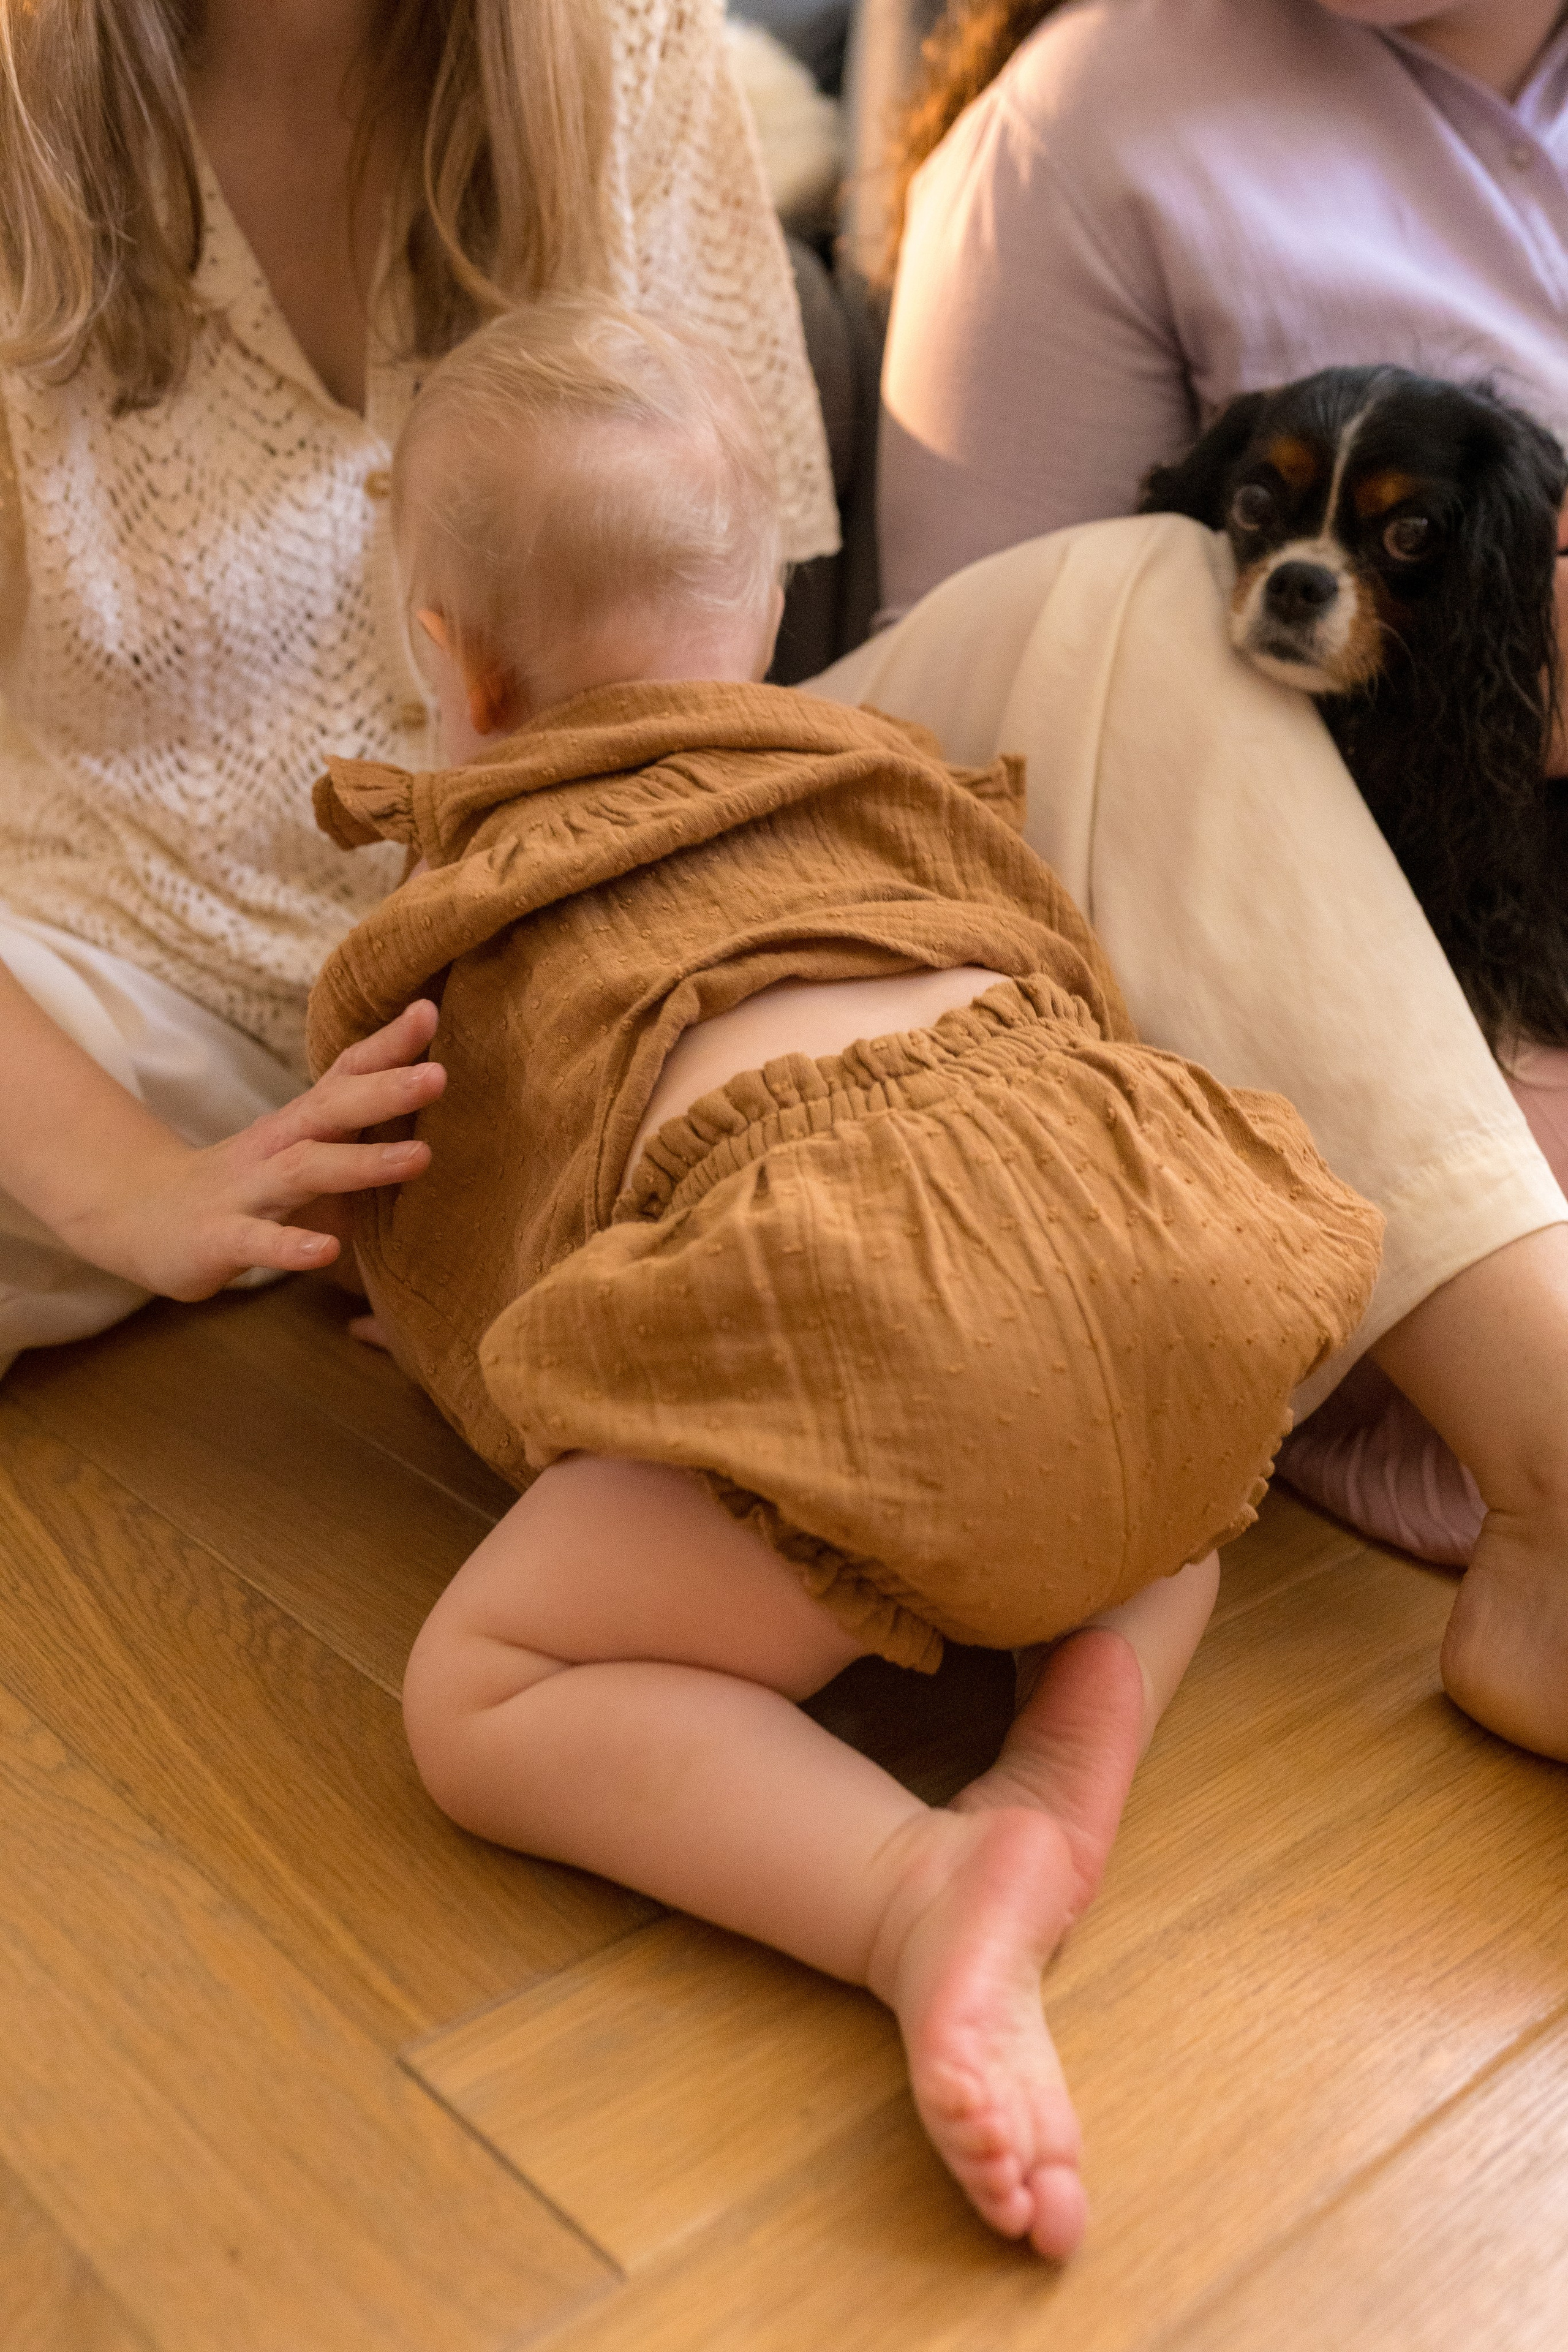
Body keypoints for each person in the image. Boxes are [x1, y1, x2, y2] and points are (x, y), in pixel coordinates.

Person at [312, 293, 1381, 2261]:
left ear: (455, 673)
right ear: (784, 616)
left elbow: (453, 1219)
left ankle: (907, 1892)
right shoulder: (889, 771)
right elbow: (1059, 976)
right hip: (1156, 1256)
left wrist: (427, 1309)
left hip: (873, 1334)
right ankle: (1083, 1697)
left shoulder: (468, 885)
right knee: (1168, 1461)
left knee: (484, 1683)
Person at [0, 0, 836, 1372]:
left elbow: (737, 634)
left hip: (608, 948)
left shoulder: (630, 39)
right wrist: (128, 1187)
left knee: (1120, 614)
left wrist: (532, 1120)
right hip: (143, 1001)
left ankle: (1275, 1342)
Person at [864, 0, 1568, 1592]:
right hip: (1255, 973)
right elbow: (1011, 681)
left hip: (1514, 923)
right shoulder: (1087, 111)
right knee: (1131, 593)